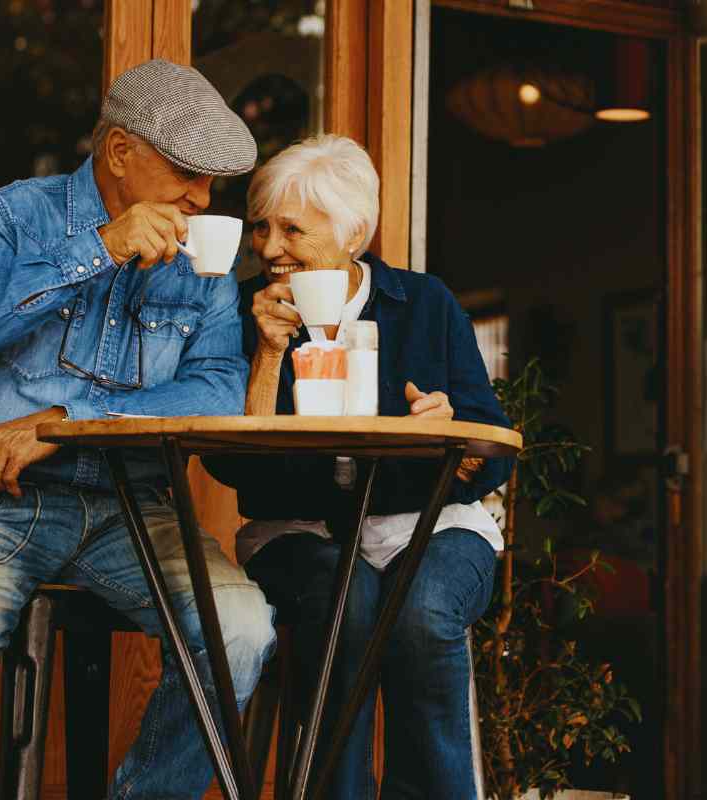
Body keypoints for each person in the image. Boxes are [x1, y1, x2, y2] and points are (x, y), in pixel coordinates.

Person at [0, 60, 275, 800]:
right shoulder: (14, 214)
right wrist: (99, 246)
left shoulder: (206, 259)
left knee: (243, 631)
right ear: (121, 153)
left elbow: (220, 386)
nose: (202, 198)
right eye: (188, 173)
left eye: (212, 181)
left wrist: (70, 424)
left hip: (138, 510)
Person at [209, 134, 514, 799]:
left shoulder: (424, 305)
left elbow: (493, 446)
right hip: (300, 534)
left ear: (351, 232)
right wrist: (266, 357)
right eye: (261, 227)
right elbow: (234, 469)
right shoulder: (242, 314)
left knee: (425, 614)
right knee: (345, 608)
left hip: (431, 527)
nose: (267, 247)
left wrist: (452, 433)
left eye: (291, 228)